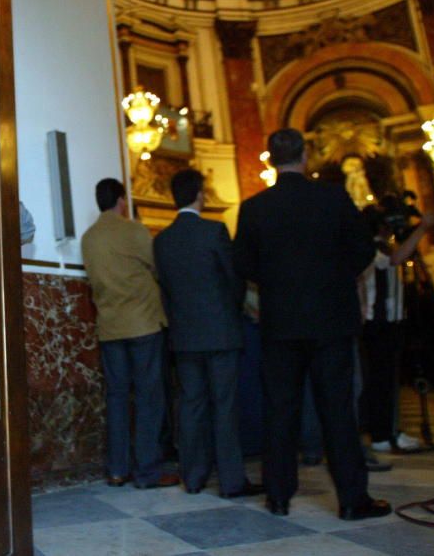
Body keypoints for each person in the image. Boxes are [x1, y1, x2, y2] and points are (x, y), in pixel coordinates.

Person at [234, 128, 390, 520]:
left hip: (280, 322)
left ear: (270, 159)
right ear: (305, 156)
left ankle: (278, 496)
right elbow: (363, 249)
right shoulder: (333, 197)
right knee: (338, 411)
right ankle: (353, 500)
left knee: (280, 409)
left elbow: (243, 265)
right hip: (331, 320)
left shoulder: (255, 208)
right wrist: (337, 280)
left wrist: (274, 284)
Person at [153, 169, 263, 498]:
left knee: (190, 406)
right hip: (221, 333)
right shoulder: (214, 231)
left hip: (184, 336)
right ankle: (231, 482)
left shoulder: (162, 240)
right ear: (200, 195)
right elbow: (234, 279)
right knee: (224, 406)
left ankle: (194, 477)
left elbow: (166, 289)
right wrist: (230, 310)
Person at [81, 178, 178, 489]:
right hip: (143, 325)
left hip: (110, 328)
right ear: (121, 200)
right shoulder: (133, 230)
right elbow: (157, 268)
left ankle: (117, 469)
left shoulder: (89, 238)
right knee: (150, 398)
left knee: (117, 398)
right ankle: (147, 470)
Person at [358, 204, 434, 454]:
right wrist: (421, 229)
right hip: (377, 322)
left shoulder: (379, 245)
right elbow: (395, 259)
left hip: (389, 320)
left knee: (389, 378)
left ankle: (390, 429)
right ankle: (381, 433)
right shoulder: (370, 246)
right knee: (380, 379)